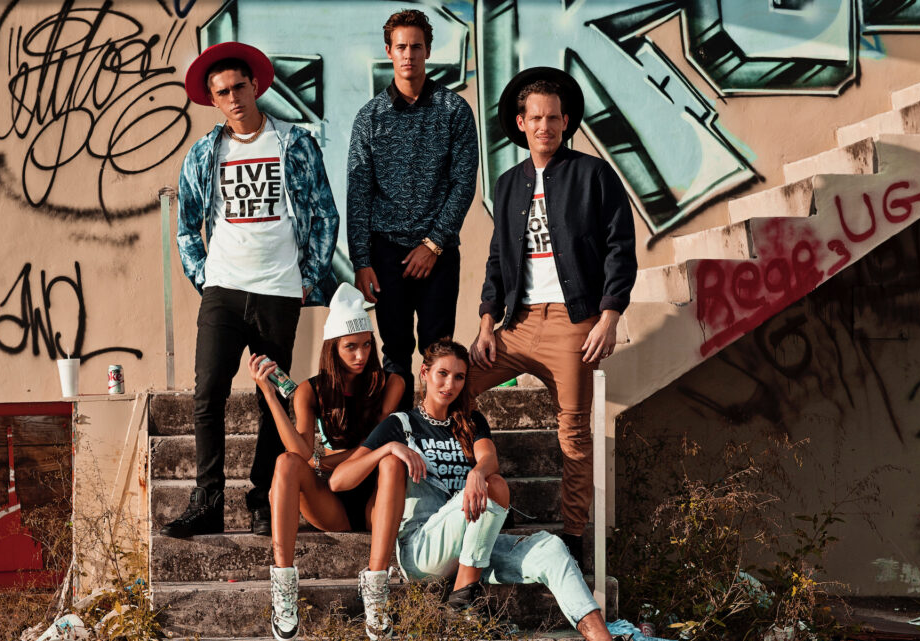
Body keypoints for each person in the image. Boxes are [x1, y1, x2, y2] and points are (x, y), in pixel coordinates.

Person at [331, 340, 648, 641]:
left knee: (551, 549)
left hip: (474, 547)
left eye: (458, 377)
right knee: (468, 481)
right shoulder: (402, 424)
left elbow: (489, 459)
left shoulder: (470, 421)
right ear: (424, 373)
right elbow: (338, 480)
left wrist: (477, 473)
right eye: (442, 374)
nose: (449, 384)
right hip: (424, 549)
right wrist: (389, 448)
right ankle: (428, 594)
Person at [162, 42, 339, 539]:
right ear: (212, 99)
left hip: (279, 293)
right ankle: (208, 501)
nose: (234, 98)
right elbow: (186, 227)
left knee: (273, 400)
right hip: (223, 289)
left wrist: (306, 280)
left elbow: (325, 213)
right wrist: (204, 280)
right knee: (207, 394)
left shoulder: (294, 143)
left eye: (240, 87)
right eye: (222, 92)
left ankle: (264, 500)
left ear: (256, 86)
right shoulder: (204, 153)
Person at [468, 67, 637, 567]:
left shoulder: (593, 175)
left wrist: (608, 316)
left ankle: (574, 536)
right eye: (536, 118)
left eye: (554, 118)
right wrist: (486, 323)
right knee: (451, 391)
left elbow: (620, 247)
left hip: (573, 321)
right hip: (518, 325)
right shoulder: (508, 184)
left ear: (566, 123)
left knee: (574, 434)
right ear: (521, 123)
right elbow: (497, 258)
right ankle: (481, 495)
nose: (545, 126)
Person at [247, 283, 405, 641]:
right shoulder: (310, 390)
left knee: (391, 462)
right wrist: (271, 395)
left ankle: (376, 592)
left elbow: (379, 443)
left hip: (375, 499)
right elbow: (301, 453)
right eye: (351, 347)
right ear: (333, 347)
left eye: (367, 345)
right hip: (330, 503)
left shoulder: (391, 383)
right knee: (285, 463)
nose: (361, 355)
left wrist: (328, 460)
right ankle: (284, 589)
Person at [347, 9, 479, 409]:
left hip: (439, 254)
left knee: (440, 351)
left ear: (428, 51)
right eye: (401, 47)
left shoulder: (454, 110)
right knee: (395, 351)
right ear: (389, 51)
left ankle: (441, 430)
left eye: (416, 47)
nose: (409, 55)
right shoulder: (369, 118)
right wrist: (361, 261)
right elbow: (358, 193)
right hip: (386, 253)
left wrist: (433, 244)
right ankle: (399, 432)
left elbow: (463, 183)